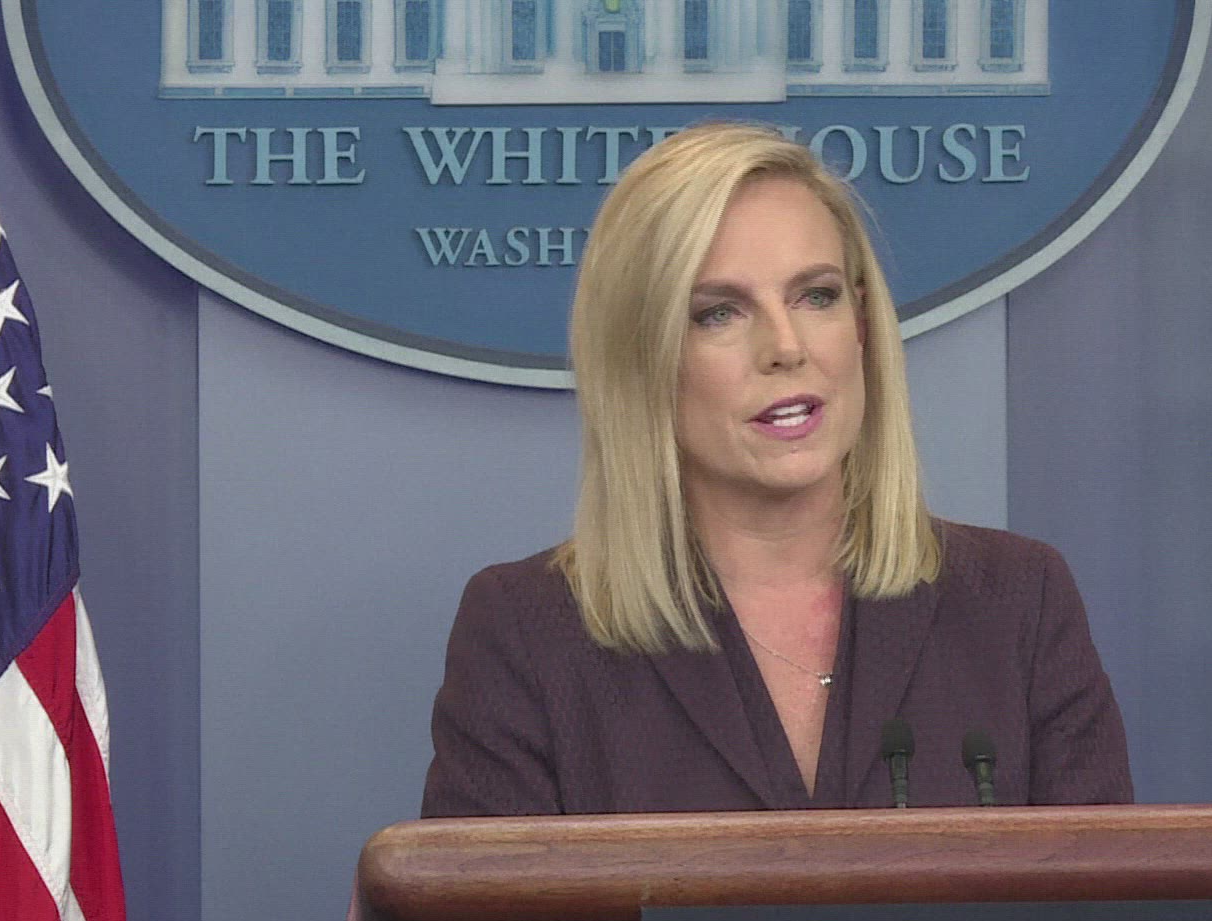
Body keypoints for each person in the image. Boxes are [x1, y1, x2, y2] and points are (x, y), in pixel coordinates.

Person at [421, 123, 1131, 816]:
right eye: (718, 313)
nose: (786, 347)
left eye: (816, 296)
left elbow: (1109, 892)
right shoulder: (527, 633)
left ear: (862, 324)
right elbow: (484, 900)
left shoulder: (1018, 601)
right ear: (642, 359)